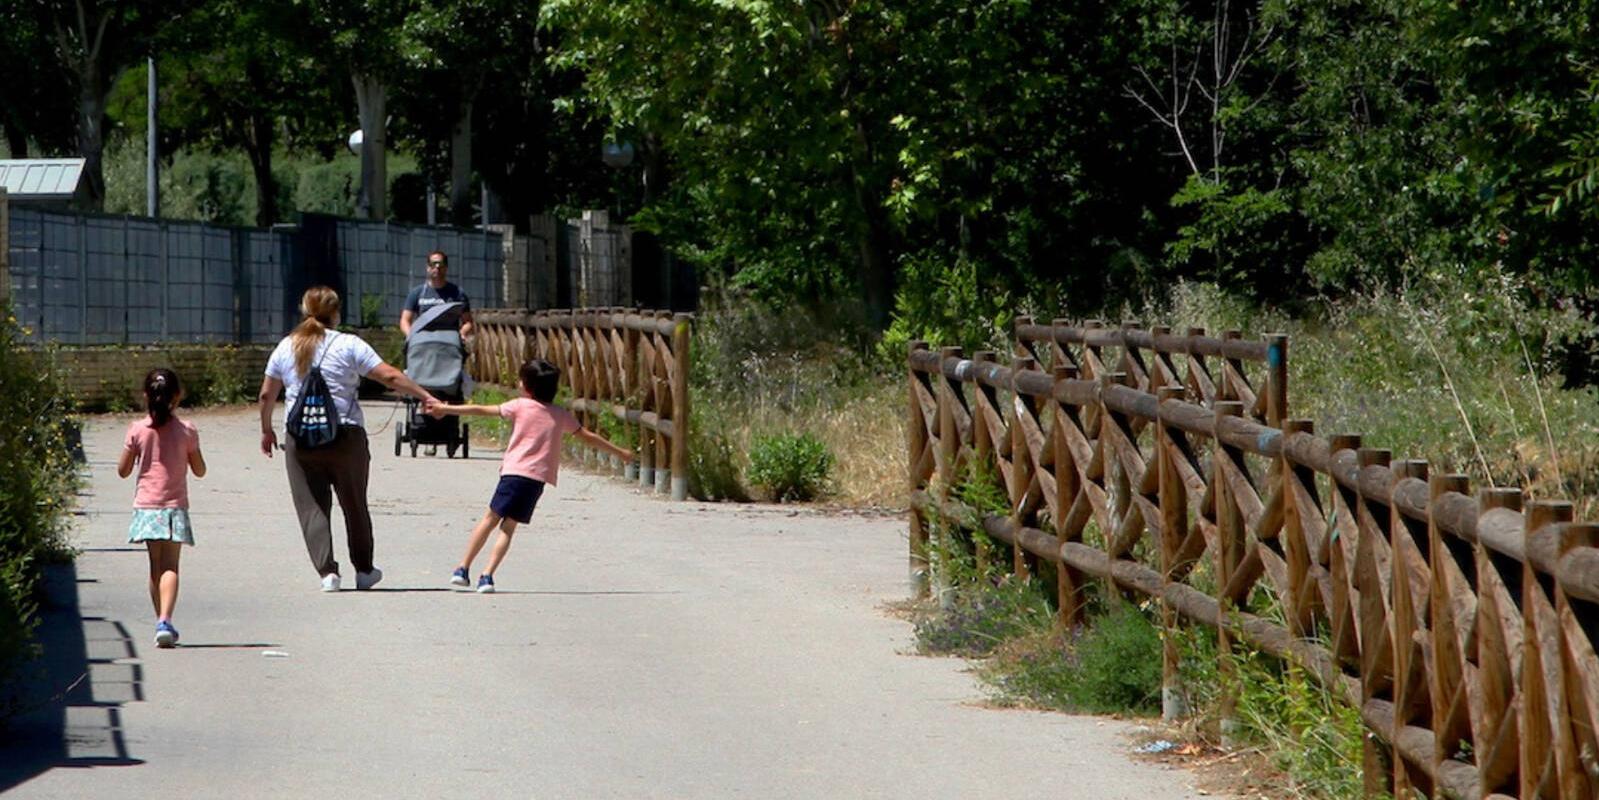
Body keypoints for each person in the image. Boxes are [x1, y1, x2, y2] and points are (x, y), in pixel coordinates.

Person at [259, 286, 438, 592]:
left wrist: (267, 429)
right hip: (346, 435)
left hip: (300, 438)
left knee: (312, 506)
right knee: (354, 504)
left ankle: (328, 573)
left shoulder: (286, 347)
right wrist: (424, 395)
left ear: (305, 311)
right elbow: (389, 376)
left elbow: (266, 394)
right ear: (336, 313)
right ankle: (365, 570)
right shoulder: (349, 344)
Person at [425, 358, 632, 593]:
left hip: (513, 474)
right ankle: (487, 576)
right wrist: (620, 452)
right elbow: (587, 436)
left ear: (526, 386)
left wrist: (445, 408)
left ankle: (462, 568)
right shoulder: (560, 415)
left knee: (490, 519)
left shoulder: (520, 406)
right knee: (509, 526)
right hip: (536, 479)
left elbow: (482, 410)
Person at [118, 368, 206, 648]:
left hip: (146, 506)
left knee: (155, 566)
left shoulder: (137, 430)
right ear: (177, 397)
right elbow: (200, 470)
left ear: (146, 396)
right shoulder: (187, 430)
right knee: (171, 566)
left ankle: (161, 621)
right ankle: (165, 620)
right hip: (174, 506)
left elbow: (122, 470)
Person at [399, 250, 475, 339]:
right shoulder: (416, 293)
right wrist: (411, 336)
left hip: (449, 342)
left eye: (441, 264)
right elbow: (405, 320)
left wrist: (462, 333)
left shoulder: (458, 293)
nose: (437, 267)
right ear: (427, 267)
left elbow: (468, 322)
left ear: (446, 268)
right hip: (423, 342)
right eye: (433, 264)